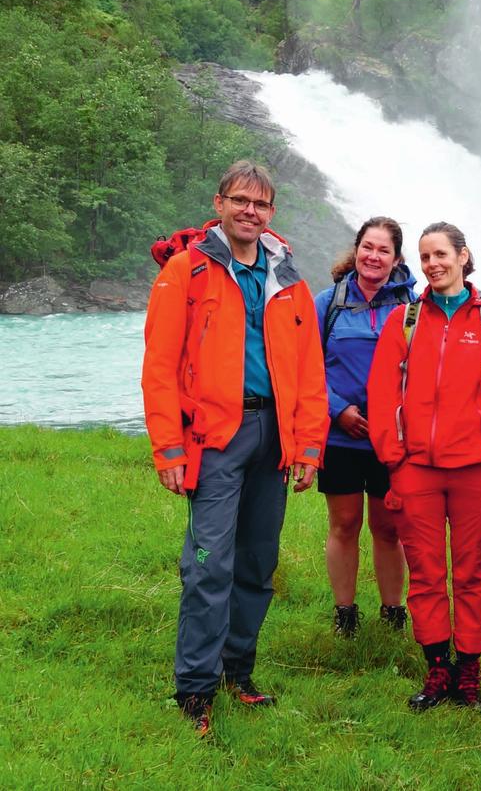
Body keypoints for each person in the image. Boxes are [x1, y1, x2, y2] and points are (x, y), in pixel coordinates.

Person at [141, 160, 328, 737]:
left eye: (261, 204)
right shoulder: (186, 271)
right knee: (207, 565)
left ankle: (236, 674)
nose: (251, 211)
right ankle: (194, 690)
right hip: (216, 437)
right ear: (219, 203)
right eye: (241, 201)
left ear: (272, 212)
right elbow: (159, 366)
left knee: (256, 563)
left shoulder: (287, 278)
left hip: (274, 436)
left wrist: (308, 447)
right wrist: (168, 448)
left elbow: (309, 370)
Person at [367, 222, 481, 710]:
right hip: (416, 469)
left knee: (473, 573)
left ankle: (470, 672)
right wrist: (394, 456)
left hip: (476, 470)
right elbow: (382, 393)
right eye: (424, 256)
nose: (433, 263)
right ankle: (437, 669)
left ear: (462, 256)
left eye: (441, 254)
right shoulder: (405, 321)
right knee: (427, 572)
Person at [314, 217, 415, 636]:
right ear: (356, 250)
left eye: (383, 250)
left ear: (396, 258)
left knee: (389, 527)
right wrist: (338, 409)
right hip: (341, 435)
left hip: (391, 435)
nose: (374, 256)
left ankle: (393, 612)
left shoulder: (413, 306)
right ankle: (345, 613)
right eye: (367, 247)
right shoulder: (328, 303)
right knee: (344, 523)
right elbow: (304, 365)